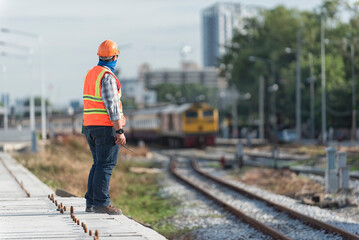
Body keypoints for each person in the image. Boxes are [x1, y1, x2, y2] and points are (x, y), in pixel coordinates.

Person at [82, 39, 126, 215]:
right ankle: (101, 203)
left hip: (90, 127)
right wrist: (120, 131)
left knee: (98, 164)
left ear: (99, 56)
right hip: (104, 128)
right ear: (115, 57)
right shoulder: (107, 77)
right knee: (105, 165)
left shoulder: (90, 74)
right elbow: (112, 107)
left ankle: (91, 202)